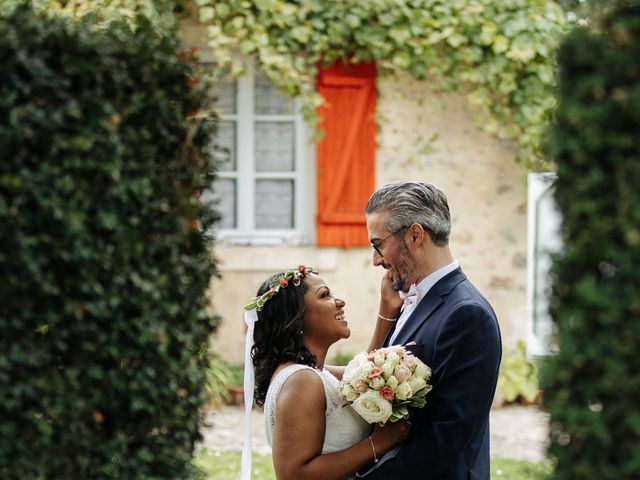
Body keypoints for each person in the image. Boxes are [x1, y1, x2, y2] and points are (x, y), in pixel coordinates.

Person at [358, 181, 502, 479]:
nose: (375, 260)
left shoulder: (467, 315)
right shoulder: (406, 301)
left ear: (414, 235)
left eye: (378, 244)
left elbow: (442, 439)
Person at [242, 266, 409, 480]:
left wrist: (387, 309)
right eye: (325, 295)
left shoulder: (311, 373)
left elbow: (365, 374)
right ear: (297, 318)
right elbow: (293, 474)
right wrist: (377, 444)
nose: (339, 302)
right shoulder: (302, 380)